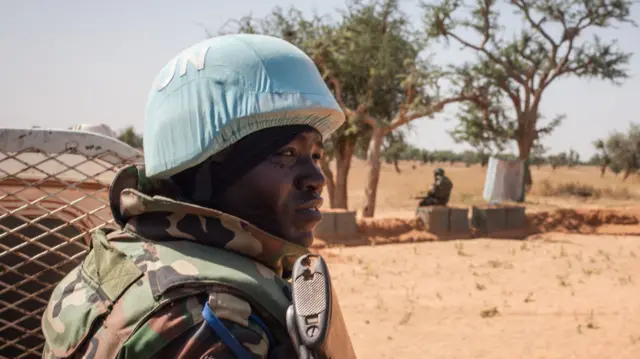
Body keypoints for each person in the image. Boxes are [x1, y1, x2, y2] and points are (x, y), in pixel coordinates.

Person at [41, 34, 344, 359]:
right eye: (286, 152)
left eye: (315, 155)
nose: (317, 179)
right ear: (206, 170)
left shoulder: (125, 255)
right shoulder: (214, 325)